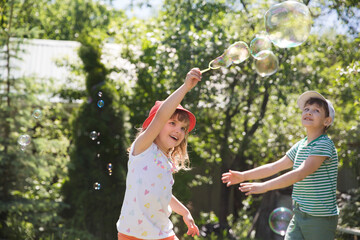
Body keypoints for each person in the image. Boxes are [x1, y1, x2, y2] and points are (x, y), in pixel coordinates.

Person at [221, 91, 339, 240]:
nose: (309, 112)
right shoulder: (301, 144)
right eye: (307, 109)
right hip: (300, 214)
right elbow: (274, 167)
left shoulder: (324, 144)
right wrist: (244, 175)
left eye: (316, 110)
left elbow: (299, 174)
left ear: (326, 121)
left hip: (320, 217)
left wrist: (264, 186)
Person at [116, 68, 201, 240]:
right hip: (131, 234)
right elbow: (161, 115)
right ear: (156, 125)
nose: (178, 130)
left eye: (183, 128)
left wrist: (184, 212)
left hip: (161, 233)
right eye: (172, 123)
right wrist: (185, 87)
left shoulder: (165, 162)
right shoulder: (142, 149)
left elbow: (163, 193)